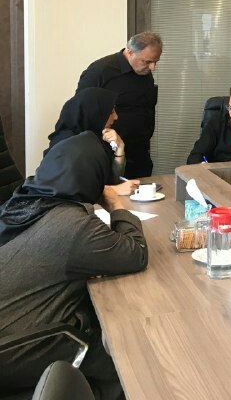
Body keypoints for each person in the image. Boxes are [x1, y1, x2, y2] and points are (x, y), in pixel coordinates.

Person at [0, 131, 148, 398]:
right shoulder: (73, 225)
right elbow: (136, 252)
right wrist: (115, 204)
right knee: (125, 354)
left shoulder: (21, 203)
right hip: (15, 348)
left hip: (11, 329)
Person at [76, 31, 162, 178]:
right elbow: (82, 111)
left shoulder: (144, 73)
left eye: (156, 61)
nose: (153, 67)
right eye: (147, 61)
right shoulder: (100, 71)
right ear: (130, 52)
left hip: (140, 154)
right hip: (109, 155)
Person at [46, 87, 139, 196]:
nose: (116, 117)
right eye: (111, 112)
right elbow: (65, 190)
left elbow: (113, 180)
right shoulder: (66, 143)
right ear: (94, 112)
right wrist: (113, 190)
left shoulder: (97, 138)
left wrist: (120, 148)